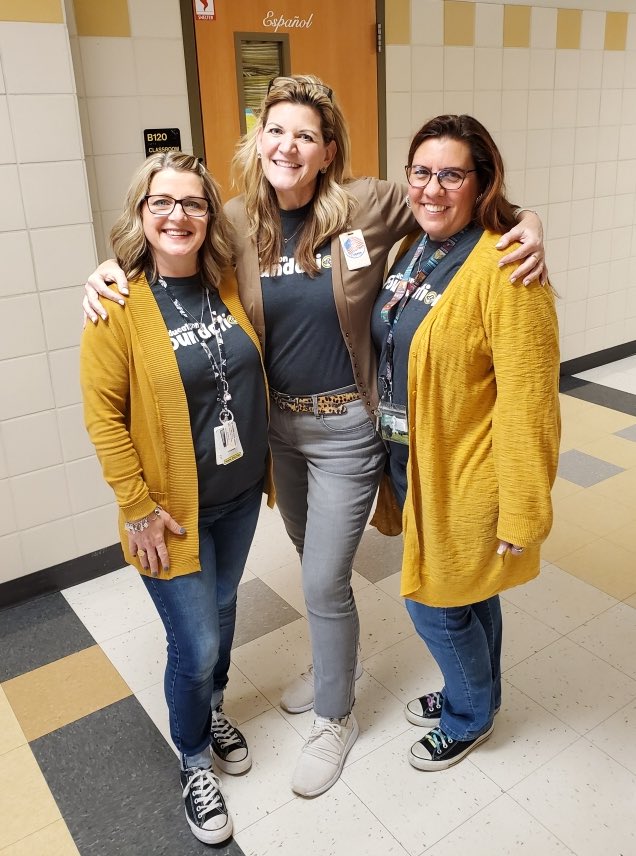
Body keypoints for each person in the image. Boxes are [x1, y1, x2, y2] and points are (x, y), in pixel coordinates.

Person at [82, 76, 547, 798]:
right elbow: (165, 245)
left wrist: (529, 224)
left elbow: (457, 203)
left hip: (348, 427)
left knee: (327, 578)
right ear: (257, 140)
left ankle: (336, 713)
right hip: (279, 432)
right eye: (276, 130)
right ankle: (338, 663)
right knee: (310, 557)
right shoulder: (231, 220)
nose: (289, 146)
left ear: (329, 149)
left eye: (307, 134)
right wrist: (107, 268)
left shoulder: (365, 204)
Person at [80, 151, 271, 844]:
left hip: (240, 494)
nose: (177, 216)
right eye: (161, 202)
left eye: (192, 203)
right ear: (140, 213)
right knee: (195, 643)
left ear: (209, 216)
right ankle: (193, 760)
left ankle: (211, 707)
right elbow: (103, 417)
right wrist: (134, 506)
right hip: (167, 513)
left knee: (221, 612)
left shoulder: (225, 282)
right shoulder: (117, 303)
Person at [370, 114, 560, 771]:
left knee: (433, 605)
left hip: (466, 472)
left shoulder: (507, 264)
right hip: (412, 461)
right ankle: (475, 691)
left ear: (482, 182)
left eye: (452, 174)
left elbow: (530, 401)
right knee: (473, 593)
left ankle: (469, 715)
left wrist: (523, 507)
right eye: (422, 172)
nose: (432, 188)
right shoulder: (415, 248)